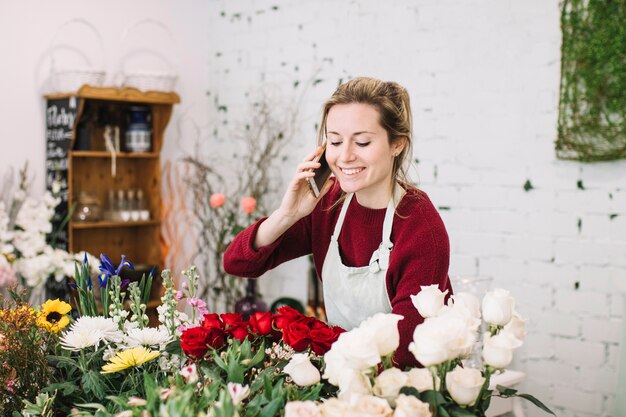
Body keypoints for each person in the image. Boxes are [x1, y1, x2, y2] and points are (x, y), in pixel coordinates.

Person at [224, 77, 451, 368]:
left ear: (397, 144)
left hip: (404, 390)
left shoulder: (420, 227)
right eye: (334, 141)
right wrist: (287, 215)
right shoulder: (328, 204)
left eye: (363, 142)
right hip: (345, 375)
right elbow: (238, 264)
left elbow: (404, 351)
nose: (344, 156)